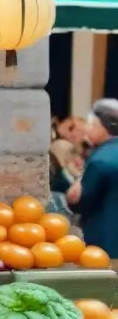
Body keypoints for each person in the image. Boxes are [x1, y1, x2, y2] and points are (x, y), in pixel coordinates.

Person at [67, 99, 118, 258]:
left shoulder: (100, 160)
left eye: (90, 124)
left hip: (106, 240)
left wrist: (72, 196)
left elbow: (81, 201)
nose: (87, 130)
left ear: (102, 125)